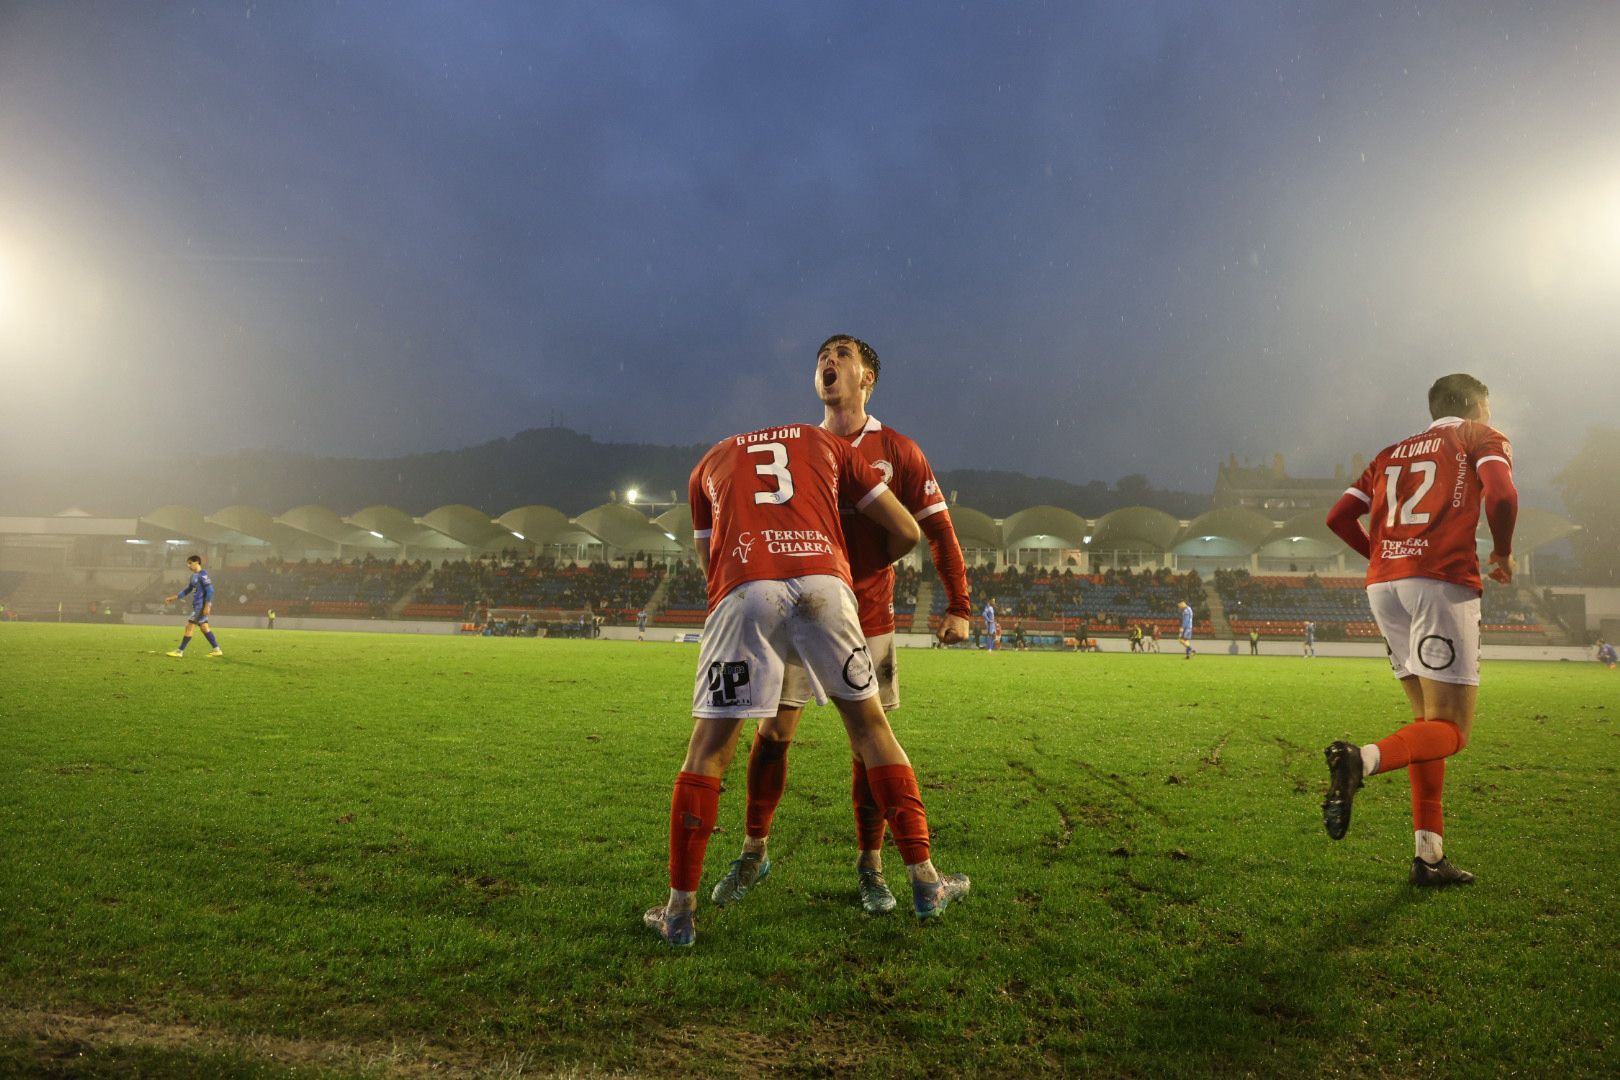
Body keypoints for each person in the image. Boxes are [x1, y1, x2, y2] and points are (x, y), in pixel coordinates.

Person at [644, 421, 969, 946]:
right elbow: (909, 531)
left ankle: (680, 912)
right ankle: (926, 882)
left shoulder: (710, 459)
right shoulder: (828, 445)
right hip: (826, 585)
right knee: (870, 730)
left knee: (707, 750)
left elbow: (708, 559)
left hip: (746, 584)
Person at [709, 334, 974, 916]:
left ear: (867, 378)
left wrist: (959, 605)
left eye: (843, 355)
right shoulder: (797, 448)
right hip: (794, 616)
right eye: (822, 357)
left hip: (868, 615)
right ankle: (754, 852)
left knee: (866, 744)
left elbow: (938, 531)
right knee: (773, 735)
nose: (828, 362)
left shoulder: (898, 450)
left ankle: (871, 866)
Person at [1321, 373, 1517, 886]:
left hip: (1385, 586)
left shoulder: (1389, 453)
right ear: (1476, 405)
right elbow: (1500, 496)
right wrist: (1501, 550)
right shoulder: (1479, 438)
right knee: (1453, 730)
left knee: (1426, 724)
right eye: (1489, 408)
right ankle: (1359, 761)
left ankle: (1428, 857)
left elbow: (1339, 517)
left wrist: (1385, 558)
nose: (1491, 417)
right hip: (1440, 581)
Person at [163, 555, 222, 657]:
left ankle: (179, 651)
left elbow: (210, 590)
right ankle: (217, 650)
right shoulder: (193, 576)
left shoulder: (203, 575)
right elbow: (188, 590)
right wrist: (175, 597)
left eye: (190, 563)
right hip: (197, 605)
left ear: (197, 562)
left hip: (201, 606)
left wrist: (207, 606)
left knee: (189, 626)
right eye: (188, 563)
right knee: (204, 627)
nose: (188, 565)